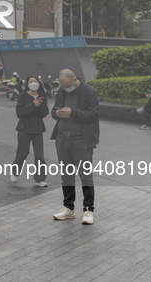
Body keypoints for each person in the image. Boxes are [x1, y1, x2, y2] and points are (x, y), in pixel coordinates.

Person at [50, 69, 99, 225]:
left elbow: (93, 115)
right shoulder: (62, 91)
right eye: (62, 85)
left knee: (85, 176)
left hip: (81, 140)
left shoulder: (89, 92)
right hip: (62, 138)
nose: (65, 88)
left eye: (67, 85)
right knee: (66, 175)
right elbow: (53, 111)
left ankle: (88, 209)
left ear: (74, 79)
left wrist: (72, 113)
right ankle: (68, 208)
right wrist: (57, 113)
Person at [10, 76, 49, 187]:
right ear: (27, 84)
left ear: (39, 83)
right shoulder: (23, 96)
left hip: (38, 128)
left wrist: (39, 106)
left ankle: (40, 178)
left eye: (35, 81)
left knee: (39, 155)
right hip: (24, 128)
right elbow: (19, 112)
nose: (33, 83)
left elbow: (45, 112)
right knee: (22, 152)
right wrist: (33, 105)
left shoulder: (41, 96)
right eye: (30, 81)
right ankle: (15, 172)